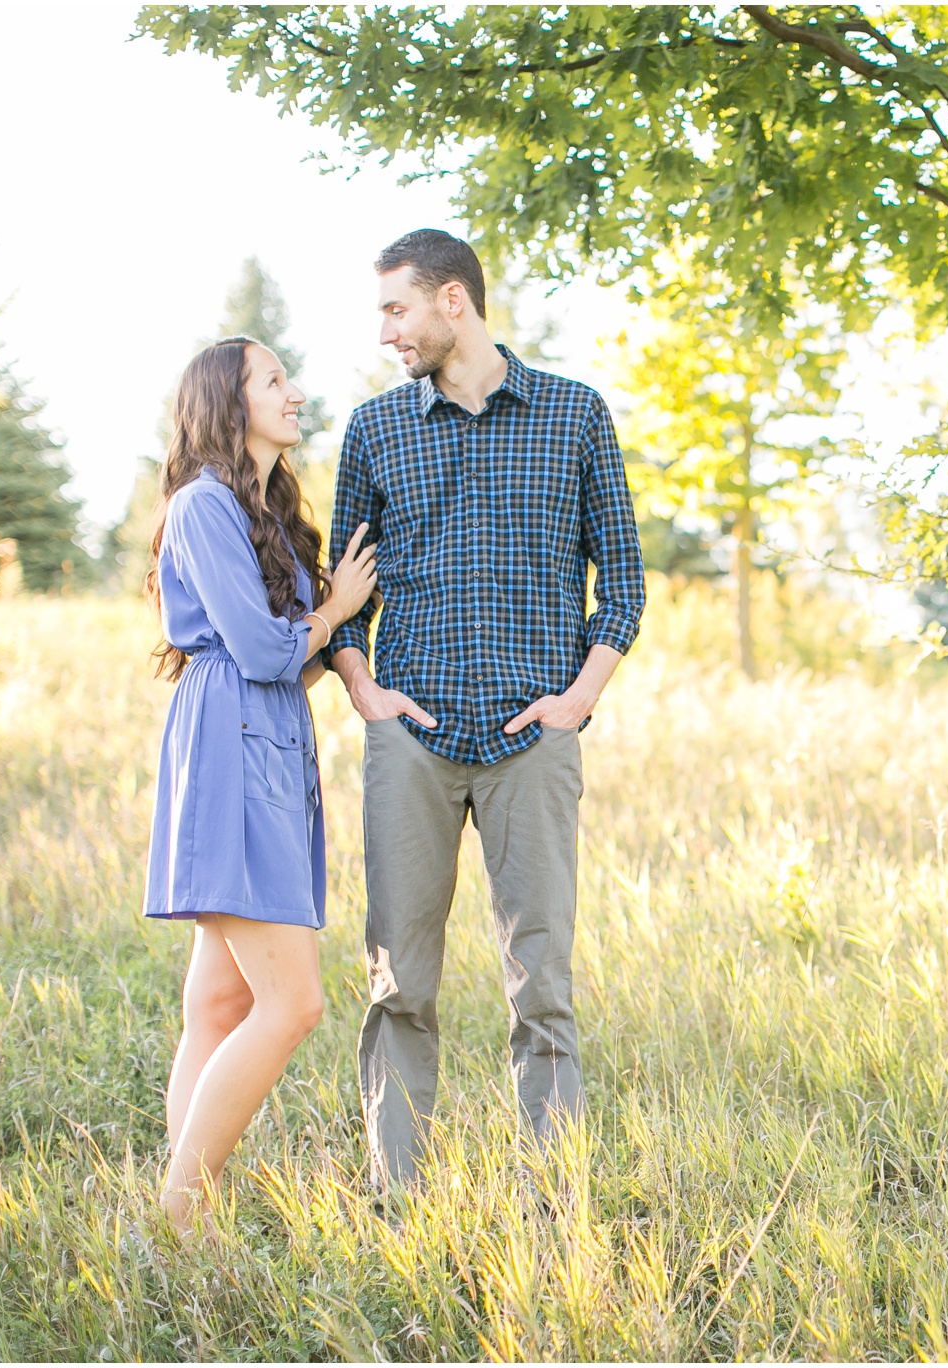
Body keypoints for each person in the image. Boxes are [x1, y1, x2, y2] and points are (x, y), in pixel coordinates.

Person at [328, 229, 644, 1192]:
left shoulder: (573, 414)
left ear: (452, 301)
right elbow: (344, 590)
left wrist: (574, 705)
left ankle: (554, 1199)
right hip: (411, 745)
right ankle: (397, 1195)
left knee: (541, 985)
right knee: (399, 984)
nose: (386, 330)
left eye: (396, 308)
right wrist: (362, 689)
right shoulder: (376, 431)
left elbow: (623, 581)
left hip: (531, 745)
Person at [142, 337, 378, 1233]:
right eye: (274, 380)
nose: (294, 391)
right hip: (231, 752)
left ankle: (182, 1211)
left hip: (262, 743)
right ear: (229, 405)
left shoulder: (265, 515)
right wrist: (332, 612)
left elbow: (293, 666)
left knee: (221, 1000)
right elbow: (263, 649)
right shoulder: (203, 506)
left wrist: (330, 636)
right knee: (294, 1003)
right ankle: (178, 1209)